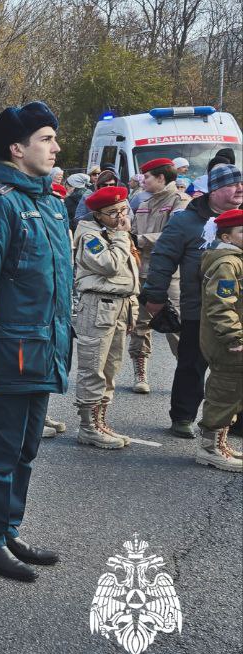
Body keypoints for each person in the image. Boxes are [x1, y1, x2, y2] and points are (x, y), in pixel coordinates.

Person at [0, 101, 71, 583]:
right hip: (11, 352)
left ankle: (7, 529)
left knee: (26, 448)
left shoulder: (49, 203)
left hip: (43, 348)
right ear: (17, 149)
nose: (56, 147)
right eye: (46, 139)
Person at [143, 164, 243, 438]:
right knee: (192, 366)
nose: (239, 189)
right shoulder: (186, 221)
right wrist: (155, 295)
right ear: (214, 190)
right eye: (232, 184)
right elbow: (163, 258)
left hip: (239, 312)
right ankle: (183, 417)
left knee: (237, 368)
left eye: (241, 183)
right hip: (199, 310)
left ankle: (236, 421)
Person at [72, 186, 140, 448]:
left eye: (123, 209)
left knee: (111, 367)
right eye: (113, 212)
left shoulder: (117, 233)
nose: (121, 216)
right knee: (93, 366)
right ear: (97, 215)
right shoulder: (90, 235)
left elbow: (130, 273)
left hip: (121, 304)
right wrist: (122, 236)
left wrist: (133, 308)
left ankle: (100, 421)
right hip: (99, 304)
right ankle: (88, 426)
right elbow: (109, 265)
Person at [128, 157, 187, 393]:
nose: (143, 181)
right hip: (142, 272)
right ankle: (140, 372)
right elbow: (132, 232)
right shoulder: (144, 202)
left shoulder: (181, 201)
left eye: (147, 177)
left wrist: (139, 240)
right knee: (139, 325)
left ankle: (186, 374)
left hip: (169, 274)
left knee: (175, 324)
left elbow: (174, 235)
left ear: (161, 177)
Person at [195, 208, 243, 470]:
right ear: (227, 237)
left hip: (233, 339)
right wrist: (233, 336)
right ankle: (209, 448)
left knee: (234, 391)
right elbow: (220, 305)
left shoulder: (236, 259)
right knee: (224, 391)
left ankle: (220, 442)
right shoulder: (227, 263)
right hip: (228, 342)